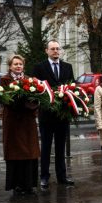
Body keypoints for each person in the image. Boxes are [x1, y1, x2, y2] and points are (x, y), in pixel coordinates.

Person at [31, 40, 75, 188]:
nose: (56, 51)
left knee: (61, 147)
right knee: (46, 147)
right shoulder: (39, 67)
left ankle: (62, 176)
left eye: (57, 49)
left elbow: (72, 85)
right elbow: (36, 88)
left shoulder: (67, 67)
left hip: (62, 115)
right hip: (47, 114)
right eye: (53, 49)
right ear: (47, 51)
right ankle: (44, 176)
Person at [0, 56, 40, 195]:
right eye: (15, 64)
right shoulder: (5, 80)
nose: (18, 66)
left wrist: (34, 104)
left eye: (20, 64)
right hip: (13, 121)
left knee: (29, 151)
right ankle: (16, 184)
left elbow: (37, 97)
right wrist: (23, 103)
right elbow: (7, 99)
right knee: (15, 152)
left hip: (28, 121)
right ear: (10, 66)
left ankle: (29, 184)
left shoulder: (30, 80)